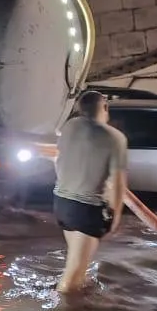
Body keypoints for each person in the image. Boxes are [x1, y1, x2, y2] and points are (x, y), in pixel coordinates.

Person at [53, 90, 128, 294]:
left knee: (77, 264)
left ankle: (79, 306)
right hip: (86, 209)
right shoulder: (115, 138)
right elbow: (118, 182)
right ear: (104, 107)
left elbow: (58, 160)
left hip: (61, 202)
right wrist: (116, 215)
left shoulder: (68, 127)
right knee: (73, 274)